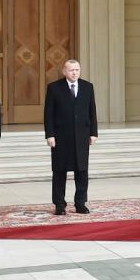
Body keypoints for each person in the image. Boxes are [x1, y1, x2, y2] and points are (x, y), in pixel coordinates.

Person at [44, 59, 98, 215]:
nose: (74, 73)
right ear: (64, 71)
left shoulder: (88, 87)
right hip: (61, 137)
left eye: (77, 70)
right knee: (59, 172)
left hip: (82, 136)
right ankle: (59, 205)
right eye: (71, 70)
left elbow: (92, 111)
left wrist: (93, 133)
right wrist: (50, 135)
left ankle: (80, 203)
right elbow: (48, 114)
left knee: (82, 171)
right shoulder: (54, 88)